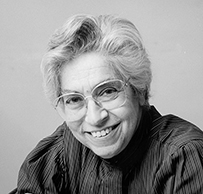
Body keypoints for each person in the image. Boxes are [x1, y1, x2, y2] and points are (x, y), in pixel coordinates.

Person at [12, 14, 203, 194]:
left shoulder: (183, 156)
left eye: (108, 91)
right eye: (75, 100)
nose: (94, 118)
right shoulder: (62, 151)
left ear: (139, 90)